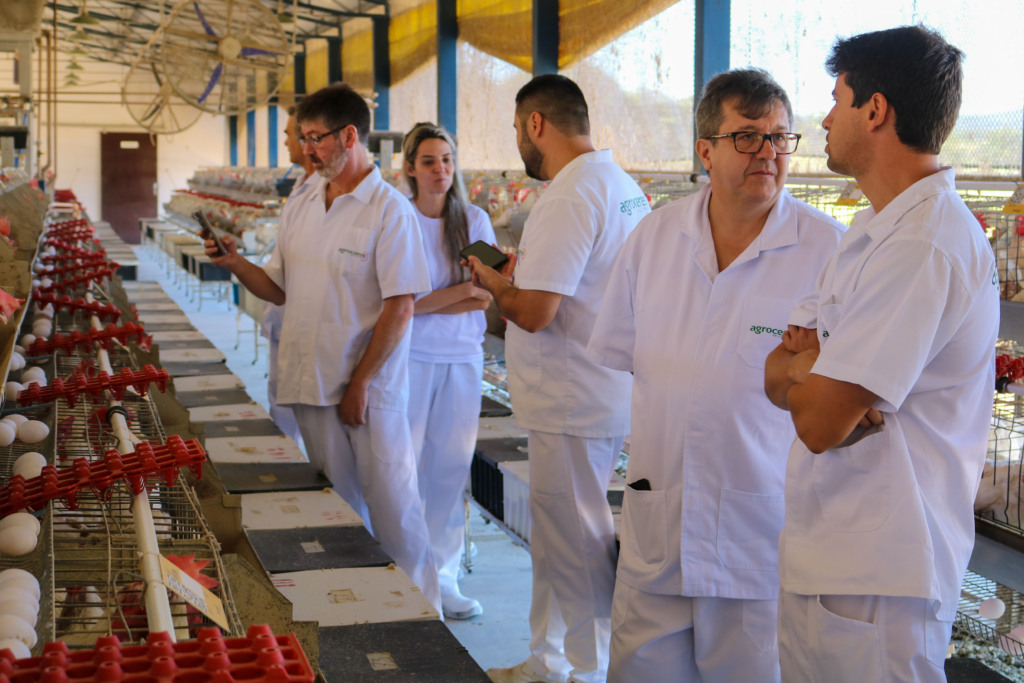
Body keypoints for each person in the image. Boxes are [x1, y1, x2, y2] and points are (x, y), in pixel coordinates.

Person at [587, 69, 844, 683]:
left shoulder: (829, 252)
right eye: (747, 137)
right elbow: (627, 358)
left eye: (781, 138)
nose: (768, 153)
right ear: (705, 150)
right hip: (658, 529)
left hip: (758, 539)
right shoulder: (654, 238)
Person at [764, 26, 999, 683]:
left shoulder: (923, 242)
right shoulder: (872, 229)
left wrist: (817, 377)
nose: (825, 119)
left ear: (875, 109)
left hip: (882, 574)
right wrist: (816, 374)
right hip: (832, 551)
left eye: (837, 100)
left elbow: (816, 424)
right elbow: (773, 373)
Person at [204, 83, 441, 613]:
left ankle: (427, 616)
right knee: (338, 506)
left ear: (349, 136)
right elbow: (282, 289)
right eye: (303, 138)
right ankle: (365, 610)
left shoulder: (388, 211)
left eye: (315, 139)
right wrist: (237, 264)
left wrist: (360, 384)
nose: (305, 150)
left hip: (365, 391)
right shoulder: (306, 200)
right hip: (309, 382)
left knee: (394, 508)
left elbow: (400, 307)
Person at [467, 74, 650, 683]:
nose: (519, 141)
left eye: (518, 129)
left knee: (575, 541)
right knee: (556, 536)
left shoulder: (570, 196)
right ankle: (546, 660)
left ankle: (588, 667)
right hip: (595, 391)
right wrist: (519, 281)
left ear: (536, 124)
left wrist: (494, 284)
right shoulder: (620, 186)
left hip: (572, 397)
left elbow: (536, 313)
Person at [401, 122, 495, 620]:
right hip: (412, 359)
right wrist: (457, 293)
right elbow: (398, 303)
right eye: (430, 161)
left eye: (447, 160)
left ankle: (445, 576)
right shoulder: (400, 219)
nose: (441, 170)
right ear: (410, 168)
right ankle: (407, 573)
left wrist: (428, 301)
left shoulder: (474, 221)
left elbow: (485, 294)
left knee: (451, 470)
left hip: (462, 359)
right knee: (407, 467)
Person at [260, 105, 313, 447]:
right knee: (282, 416)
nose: (285, 141)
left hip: (309, 331)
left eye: (289, 133)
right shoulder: (298, 186)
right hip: (285, 320)